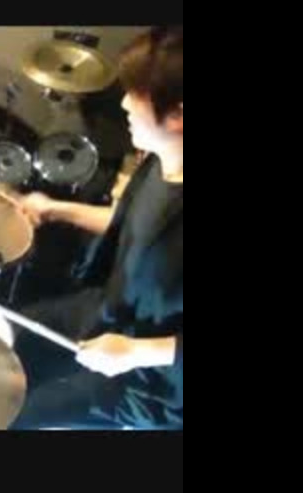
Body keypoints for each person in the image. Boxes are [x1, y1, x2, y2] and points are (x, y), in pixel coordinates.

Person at [9, 26, 183, 430]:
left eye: (135, 93)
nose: (123, 103)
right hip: (111, 309)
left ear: (178, 115)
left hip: (152, 383)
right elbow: (137, 233)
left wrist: (138, 353)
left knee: (22, 414)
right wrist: (57, 209)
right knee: (5, 335)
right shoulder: (161, 159)